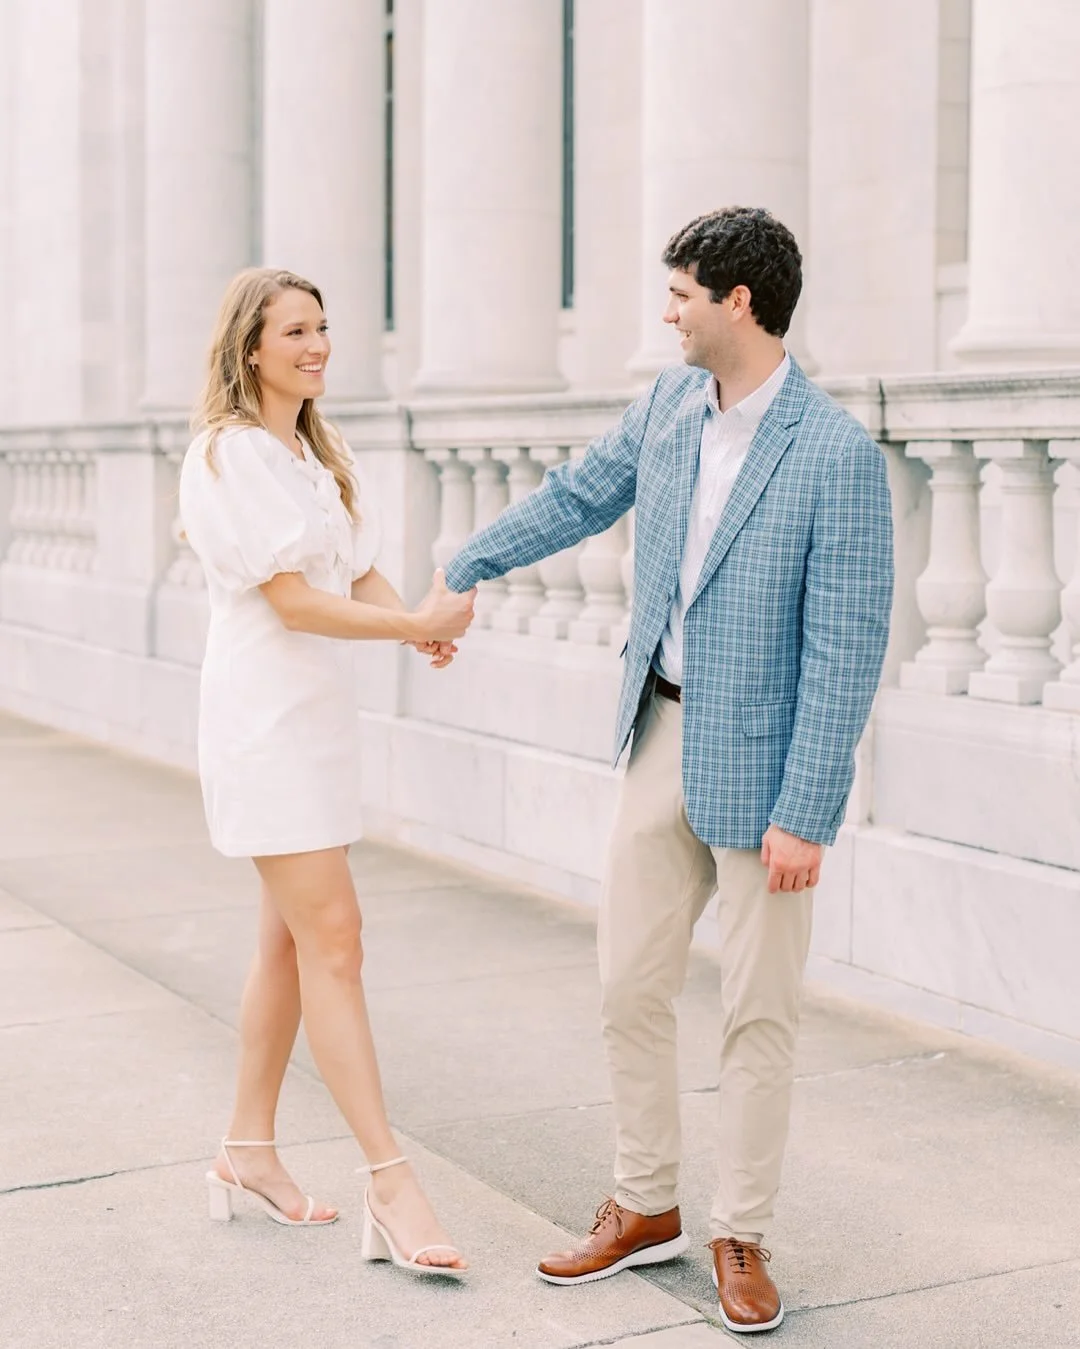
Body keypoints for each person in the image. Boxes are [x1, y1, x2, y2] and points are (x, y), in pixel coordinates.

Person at [443, 208, 893, 1331]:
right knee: (627, 985)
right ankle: (646, 1203)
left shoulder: (834, 452)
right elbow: (577, 496)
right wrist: (467, 560)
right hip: (659, 735)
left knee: (759, 1011)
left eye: (683, 292)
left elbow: (847, 647)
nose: (668, 311)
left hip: (770, 772)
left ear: (739, 301)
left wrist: (809, 809)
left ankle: (740, 1229)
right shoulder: (664, 406)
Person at [179, 267, 475, 1275]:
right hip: (264, 725)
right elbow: (296, 601)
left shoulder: (309, 452)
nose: (317, 345)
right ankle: (391, 1181)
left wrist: (416, 629)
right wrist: (406, 622)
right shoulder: (227, 455)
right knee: (336, 941)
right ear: (250, 348)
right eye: (295, 330)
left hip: (316, 727)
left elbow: (350, 572)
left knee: (288, 946)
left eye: (323, 328)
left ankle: (245, 1152)